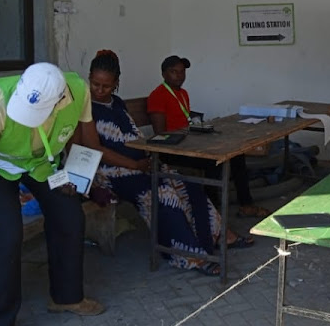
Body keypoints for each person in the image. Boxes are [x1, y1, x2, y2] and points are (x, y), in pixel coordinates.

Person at [0, 63, 105, 326]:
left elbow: (83, 137)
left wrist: (77, 177)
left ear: (59, 99)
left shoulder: (78, 90)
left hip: (43, 164)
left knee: (70, 215)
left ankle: (66, 297)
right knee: (7, 234)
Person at [87, 49, 240, 275]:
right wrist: (136, 165)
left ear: (116, 83)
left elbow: (132, 136)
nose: (100, 90)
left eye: (106, 86)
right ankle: (189, 256)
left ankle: (218, 235)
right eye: (95, 84)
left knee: (188, 185)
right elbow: (96, 149)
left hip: (141, 163)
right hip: (112, 172)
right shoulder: (85, 107)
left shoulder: (117, 103)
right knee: (164, 195)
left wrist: (146, 158)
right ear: (89, 78)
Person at [147, 55, 270, 221]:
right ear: (164, 74)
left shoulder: (183, 93)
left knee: (236, 155)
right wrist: (187, 138)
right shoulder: (158, 95)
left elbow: (185, 121)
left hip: (188, 142)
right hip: (172, 150)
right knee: (215, 161)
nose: (179, 76)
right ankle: (212, 211)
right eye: (173, 72)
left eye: (182, 72)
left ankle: (245, 205)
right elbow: (160, 134)